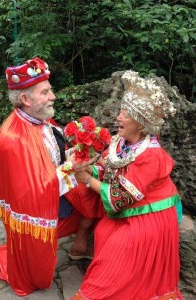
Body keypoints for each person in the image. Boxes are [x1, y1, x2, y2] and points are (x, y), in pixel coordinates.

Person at [0, 57, 103, 296]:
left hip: (54, 196)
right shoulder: (13, 138)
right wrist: (71, 168)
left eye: (50, 89)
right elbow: (30, 192)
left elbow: (49, 158)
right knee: (31, 281)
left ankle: (79, 245)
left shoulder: (42, 120)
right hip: (32, 211)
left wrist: (74, 153)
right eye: (46, 92)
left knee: (98, 198)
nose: (53, 96)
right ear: (25, 99)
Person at [71, 71, 183, 300]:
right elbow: (106, 169)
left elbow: (121, 196)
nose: (118, 117)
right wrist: (86, 169)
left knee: (117, 248)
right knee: (103, 230)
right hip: (129, 212)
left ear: (141, 124)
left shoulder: (152, 156)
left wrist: (87, 181)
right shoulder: (122, 141)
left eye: (126, 114)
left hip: (152, 217)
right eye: (121, 110)